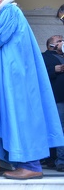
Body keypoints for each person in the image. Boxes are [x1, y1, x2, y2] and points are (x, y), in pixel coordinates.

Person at [0, 0, 64, 179]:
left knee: (21, 114)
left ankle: (31, 165)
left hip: (16, 74)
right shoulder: (2, 14)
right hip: (9, 73)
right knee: (9, 115)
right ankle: (11, 160)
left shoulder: (10, 11)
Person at [42, 35, 64, 172]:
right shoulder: (44, 57)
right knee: (60, 129)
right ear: (51, 45)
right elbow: (38, 74)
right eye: (59, 41)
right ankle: (61, 160)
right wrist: (53, 70)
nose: (62, 42)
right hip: (58, 97)